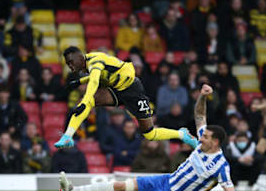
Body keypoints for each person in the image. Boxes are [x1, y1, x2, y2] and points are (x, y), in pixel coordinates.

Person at [59, 84, 240, 191]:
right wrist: (202, 95)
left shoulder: (221, 167)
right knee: (121, 187)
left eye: (206, 137)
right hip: (164, 181)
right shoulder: (201, 144)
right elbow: (200, 115)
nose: (200, 137)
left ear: (215, 142)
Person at [54, 47, 197, 149]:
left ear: (80, 56)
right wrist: (79, 82)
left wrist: (84, 98)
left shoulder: (95, 61)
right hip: (115, 90)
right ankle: (68, 136)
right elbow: (96, 76)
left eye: (72, 62)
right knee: (88, 102)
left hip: (133, 90)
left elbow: (95, 80)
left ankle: (181, 134)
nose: (71, 67)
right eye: (68, 65)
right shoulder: (88, 66)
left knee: (149, 134)